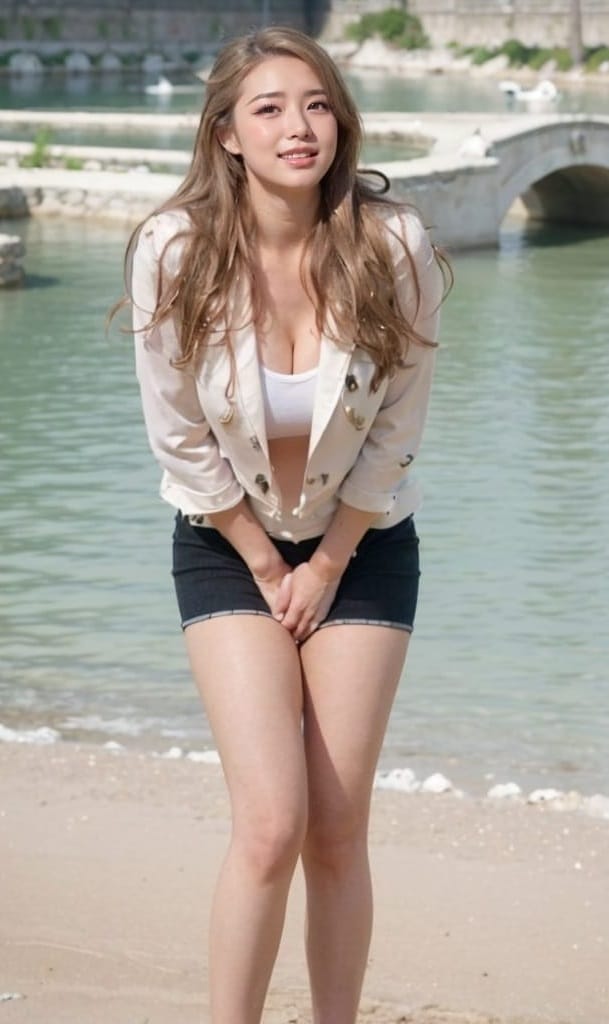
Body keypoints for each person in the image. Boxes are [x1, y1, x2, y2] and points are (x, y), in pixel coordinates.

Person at [123, 25, 447, 1024]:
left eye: (316, 106)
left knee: (336, 828)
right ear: (226, 132)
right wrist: (269, 565)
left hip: (364, 543)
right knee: (270, 822)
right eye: (268, 108)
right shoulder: (174, 250)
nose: (297, 127)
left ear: (340, 123)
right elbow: (178, 436)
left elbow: (397, 429)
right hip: (227, 545)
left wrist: (328, 560)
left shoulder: (392, 243)